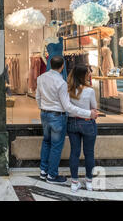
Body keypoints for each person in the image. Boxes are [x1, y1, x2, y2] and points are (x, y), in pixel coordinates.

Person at [36, 56, 97, 184]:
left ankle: (43, 171)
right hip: (57, 116)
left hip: (44, 114)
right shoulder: (61, 83)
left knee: (46, 142)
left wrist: (43, 108)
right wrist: (88, 113)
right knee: (56, 146)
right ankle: (52, 175)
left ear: (49, 65)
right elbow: (68, 106)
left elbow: (38, 97)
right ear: (62, 66)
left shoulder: (40, 78)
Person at [67, 64, 98, 192]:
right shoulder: (90, 91)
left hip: (72, 122)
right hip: (87, 123)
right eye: (88, 73)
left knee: (74, 152)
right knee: (89, 153)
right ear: (84, 75)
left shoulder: (68, 90)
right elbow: (94, 108)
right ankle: (89, 181)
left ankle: (74, 182)